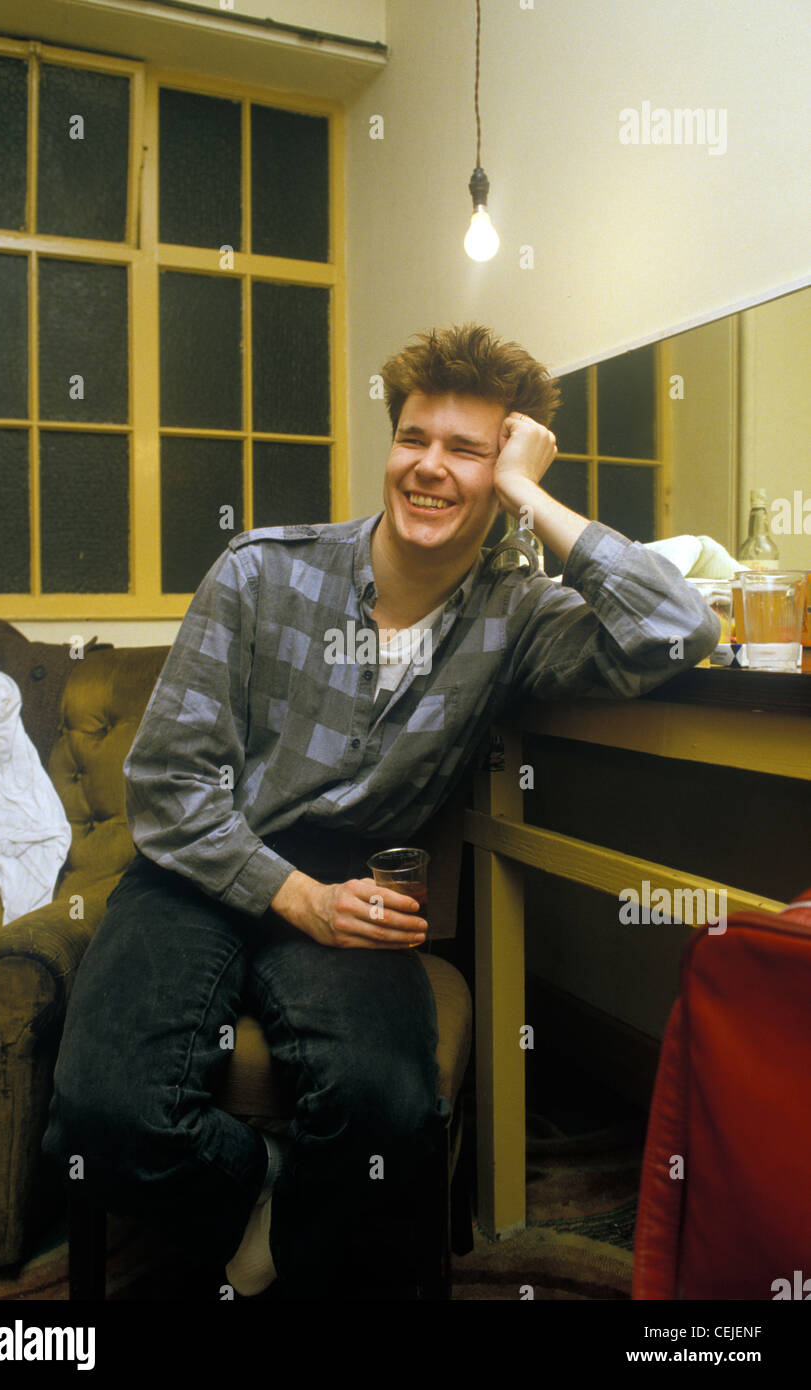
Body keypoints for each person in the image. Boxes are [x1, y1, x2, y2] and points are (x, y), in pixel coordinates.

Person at [41, 323, 719, 1300]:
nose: (429, 467)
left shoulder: (517, 614)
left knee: (388, 1109)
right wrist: (298, 898)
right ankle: (260, 1197)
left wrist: (531, 496)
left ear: (506, 468)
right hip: (201, 858)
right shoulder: (262, 571)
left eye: (468, 450)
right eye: (414, 438)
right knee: (104, 1112)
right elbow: (168, 786)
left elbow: (678, 628)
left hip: (356, 870)